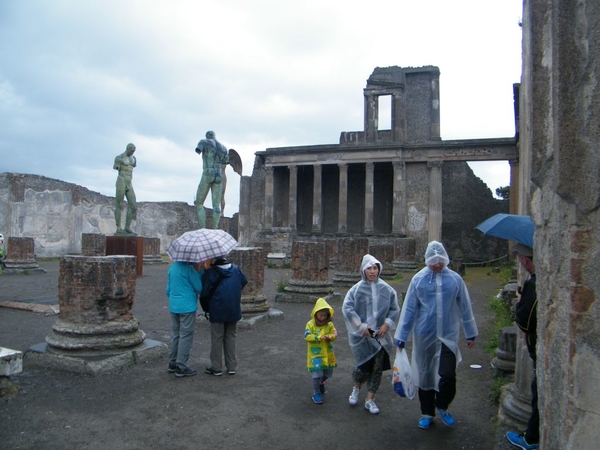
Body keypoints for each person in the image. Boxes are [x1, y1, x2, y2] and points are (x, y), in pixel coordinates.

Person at [394, 240, 478, 429]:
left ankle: (442, 404)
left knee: (448, 374)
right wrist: (401, 335)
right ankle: (427, 412)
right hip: (425, 335)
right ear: (427, 261)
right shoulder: (419, 279)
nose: (438, 264)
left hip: (448, 335)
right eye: (434, 261)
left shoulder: (455, 279)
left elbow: (464, 306)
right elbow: (409, 309)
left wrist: (470, 333)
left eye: (441, 260)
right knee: (425, 375)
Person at [342, 254, 400, 415]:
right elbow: (347, 308)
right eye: (369, 268)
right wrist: (360, 327)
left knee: (377, 367)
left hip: (380, 335)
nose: (372, 271)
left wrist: (387, 324)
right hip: (362, 336)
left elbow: (394, 308)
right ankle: (357, 387)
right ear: (363, 270)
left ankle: (370, 399)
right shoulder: (356, 289)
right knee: (362, 366)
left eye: (375, 268)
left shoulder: (387, 289)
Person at [506, 244, 539, 450]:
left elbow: (524, 322)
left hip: (536, 345)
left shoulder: (533, 285)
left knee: (537, 391)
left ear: (525, 261)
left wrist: (520, 301)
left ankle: (531, 438)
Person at [202, 256, 248, 376]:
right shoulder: (236, 270)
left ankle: (216, 367)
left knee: (217, 337)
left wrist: (206, 308)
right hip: (233, 307)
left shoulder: (211, 272)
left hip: (217, 308)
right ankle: (231, 366)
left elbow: (205, 293)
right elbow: (244, 281)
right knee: (231, 336)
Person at [166, 260, 204, 378]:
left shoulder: (172, 268)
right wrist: (201, 272)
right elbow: (199, 287)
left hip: (174, 305)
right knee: (186, 335)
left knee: (176, 334)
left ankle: (172, 362)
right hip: (187, 306)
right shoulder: (189, 269)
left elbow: (168, 290)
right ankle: (181, 365)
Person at [304, 297, 338, 404]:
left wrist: (330, 337)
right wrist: (318, 337)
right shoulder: (310, 324)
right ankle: (316, 393)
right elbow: (307, 336)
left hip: (327, 353)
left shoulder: (329, 325)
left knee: (328, 373)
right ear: (316, 314)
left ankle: (322, 382)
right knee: (316, 375)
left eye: (325, 315)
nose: (323, 317)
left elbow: (335, 334)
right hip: (315, 355)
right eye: (321, 315)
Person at [195, 131, 229, 229]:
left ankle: (203, 228)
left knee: (199, 203)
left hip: (208, 172)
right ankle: (214, 228)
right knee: (216, 205)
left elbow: (198, 150)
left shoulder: (204, 142)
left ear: (207, 136)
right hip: (219, 175)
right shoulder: (223, 148)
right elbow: (225, 162)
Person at [113, 143, 137, 234]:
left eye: (134, 151)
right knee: (119, 204)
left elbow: (133, 166)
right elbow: (115, 167)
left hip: (129, 182)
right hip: (121, 181)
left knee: (133, 205)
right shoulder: (119, 158)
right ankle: (118, 227)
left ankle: (127, 227)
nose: (132, 152)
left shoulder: (133, 159)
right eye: (131, 151)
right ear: (127, 149)